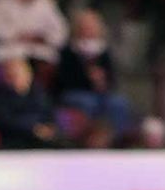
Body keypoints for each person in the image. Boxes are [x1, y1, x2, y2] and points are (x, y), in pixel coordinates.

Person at [53, 8, 134, 141]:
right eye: (85, 26)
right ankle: (86, 140)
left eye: (91, 26)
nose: (88, 30)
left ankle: (118, 139)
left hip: (101, 94)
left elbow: (113, 80)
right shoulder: (69, 51)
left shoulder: (103, 51)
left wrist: (102, 81)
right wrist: (87, 78)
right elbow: (63, 80)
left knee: (119, 103)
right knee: (87, 102)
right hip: (75, 92)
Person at [0, 56, 59, 149]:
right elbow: (5, 121)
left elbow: (49, 114)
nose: (14, 77)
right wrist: (34, 128)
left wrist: (49, 128)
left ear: (29, 75)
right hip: (14, 139)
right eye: (11, 74)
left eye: (18, 73)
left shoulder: (39, 93)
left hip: (42, 137)